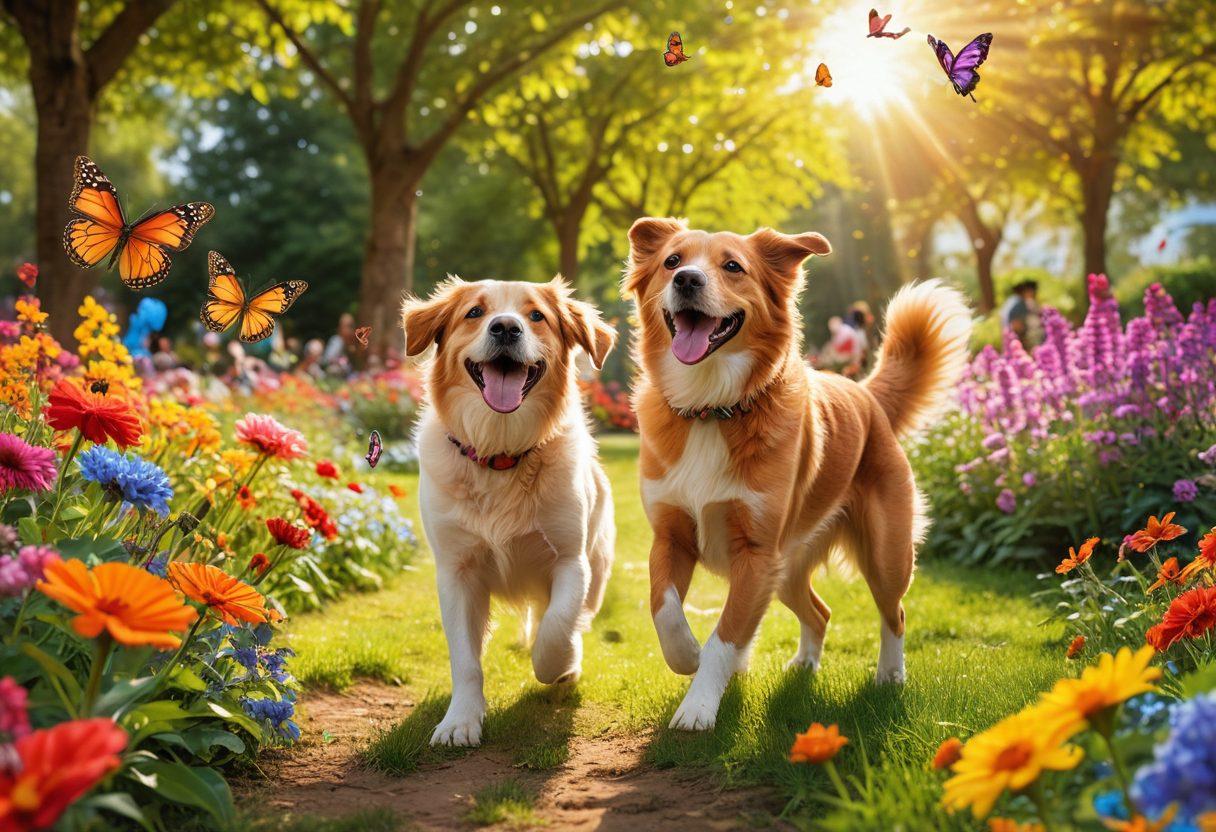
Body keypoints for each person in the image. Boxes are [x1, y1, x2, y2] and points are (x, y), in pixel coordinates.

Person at [1000, 280, 1042, 347]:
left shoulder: (1012, 299)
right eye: (1034, 291)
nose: (1035, 294)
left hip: (1006, 337)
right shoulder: (1020, 303)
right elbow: (1016, 325)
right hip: (1014, 341)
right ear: (1028, 290)